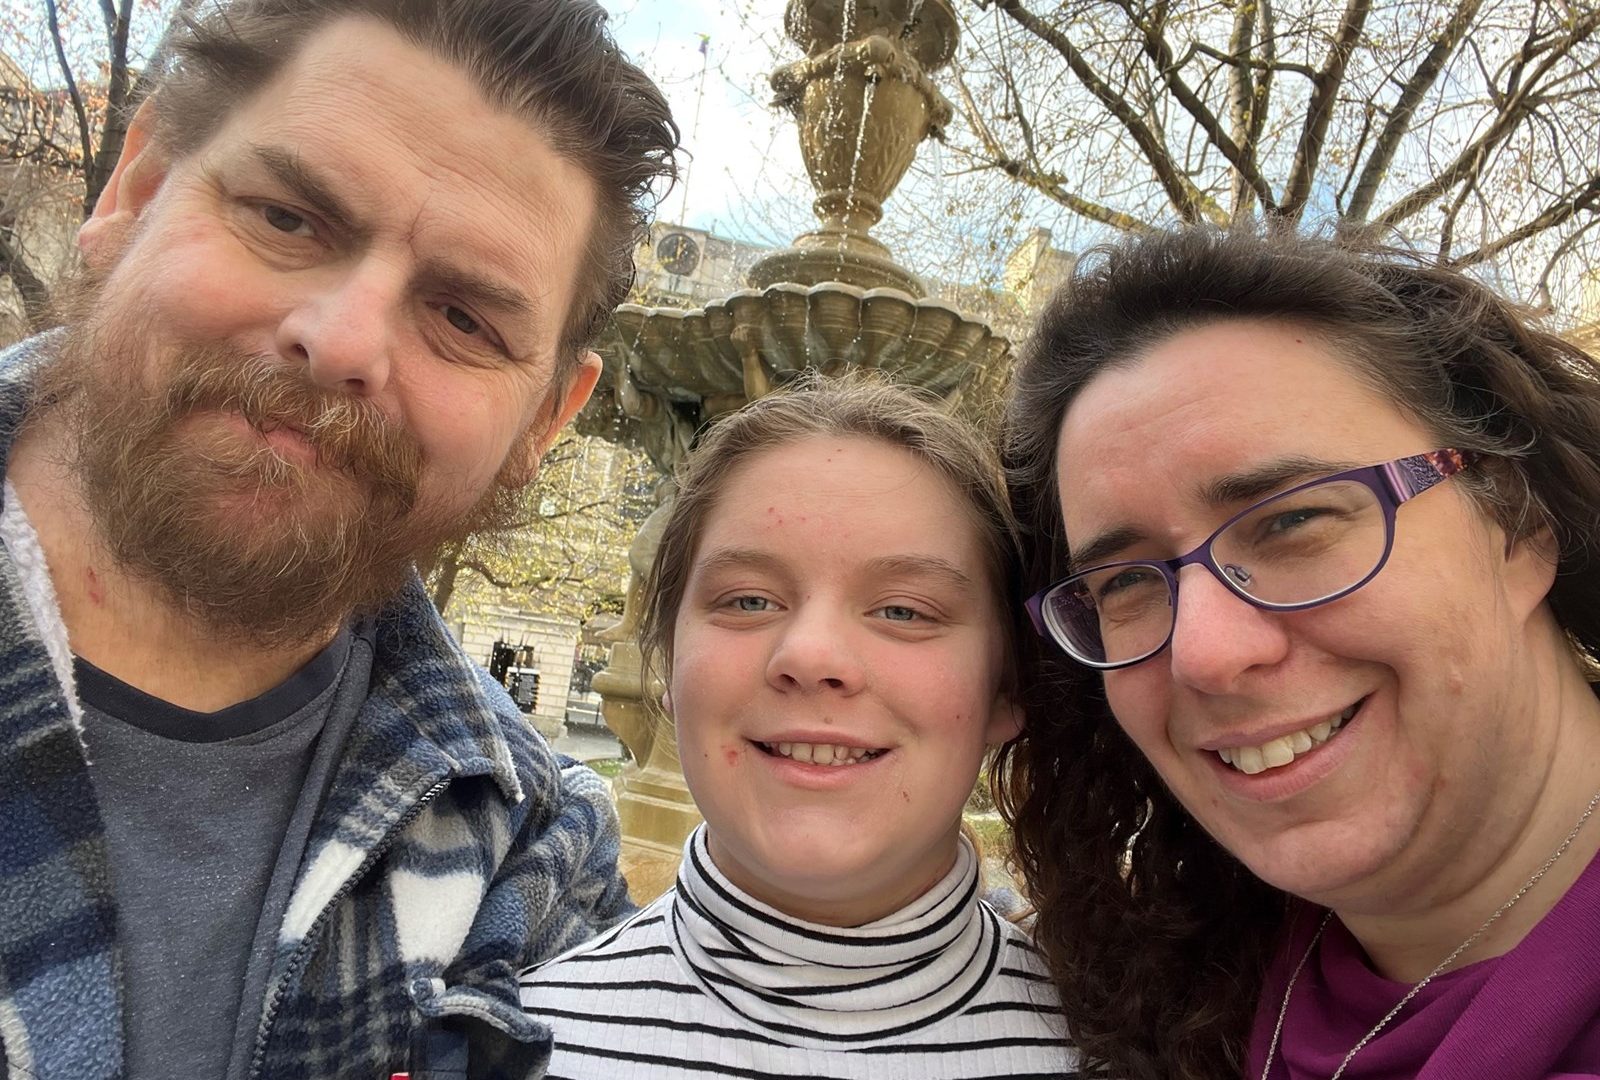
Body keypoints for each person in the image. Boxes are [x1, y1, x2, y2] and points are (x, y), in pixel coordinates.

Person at [0, 1, 678, 1077]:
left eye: (463, 319)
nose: (342, 340)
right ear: (132, 193)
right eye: (285, 217)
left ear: (544, 422)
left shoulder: (537, 863)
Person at [999, 225, 1600, 1080]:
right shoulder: (1167, 992)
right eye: (1127, 584)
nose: (1204, 654)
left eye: (1292, 522)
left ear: (1515, 522)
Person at [518, 375, 1078, 1077]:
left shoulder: (1129, 1055)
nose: (811, 656)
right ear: (668, 665)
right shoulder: (512, 1049)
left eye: (904, 610)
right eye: (749, 599)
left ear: (1007, 685)